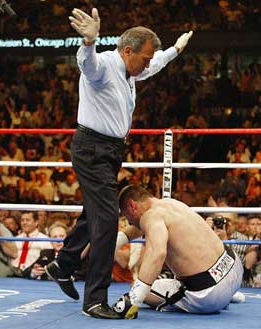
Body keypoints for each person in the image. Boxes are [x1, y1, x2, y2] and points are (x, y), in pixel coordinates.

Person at [44, 7, 193, 319]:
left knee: (95, 212)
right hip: (91, 148)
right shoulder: (105, 66)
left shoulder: (131, 70)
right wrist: (88, 42)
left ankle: (65, 263)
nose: (148, 64)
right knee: (107, 219)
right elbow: (88, 64)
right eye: (145, 57)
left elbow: (157, 63)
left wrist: (176, 49)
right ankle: (94, 300)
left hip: (109, 150)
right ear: (128, 50)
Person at [112, 185, 243, 319]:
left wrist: (135, 298)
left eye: (128, 217)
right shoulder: (170, 204)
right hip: (234, 269)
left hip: (209, 293)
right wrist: (115, 242)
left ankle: (221, 297)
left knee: (137, 286)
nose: (129, 222)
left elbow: (158, 254)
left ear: (132, 205)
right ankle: (227, 294)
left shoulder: (150, 217)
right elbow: (142, 226)